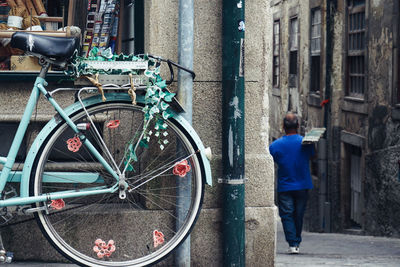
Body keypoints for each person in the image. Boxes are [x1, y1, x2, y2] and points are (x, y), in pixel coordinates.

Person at [269, 112, 315, 254]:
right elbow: (313, 156)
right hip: (302, 185)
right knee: (298, 214)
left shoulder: (275, 145)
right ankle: (296, 241)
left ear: (283, 126)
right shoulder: (306, 143)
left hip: (285, 185)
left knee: (287, 215)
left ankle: (292, 244)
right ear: (298, 126)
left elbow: (271, 160)